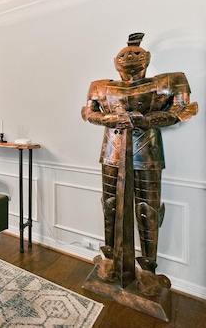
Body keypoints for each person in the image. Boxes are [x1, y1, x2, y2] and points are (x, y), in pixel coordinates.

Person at [81, 33, 198, 290]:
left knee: (148, 209)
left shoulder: (169, 80)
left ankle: (147, 269)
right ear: (115, 61)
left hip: (148, 152)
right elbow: (88, 111)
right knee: (110, 205)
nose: (129, 57)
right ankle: (110, 258)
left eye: (134, 54)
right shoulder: (100, 86)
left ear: (146, 58)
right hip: (112, 150)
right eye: (123, 55)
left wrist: (144, 120)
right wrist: (111, 120)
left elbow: (182, 109)